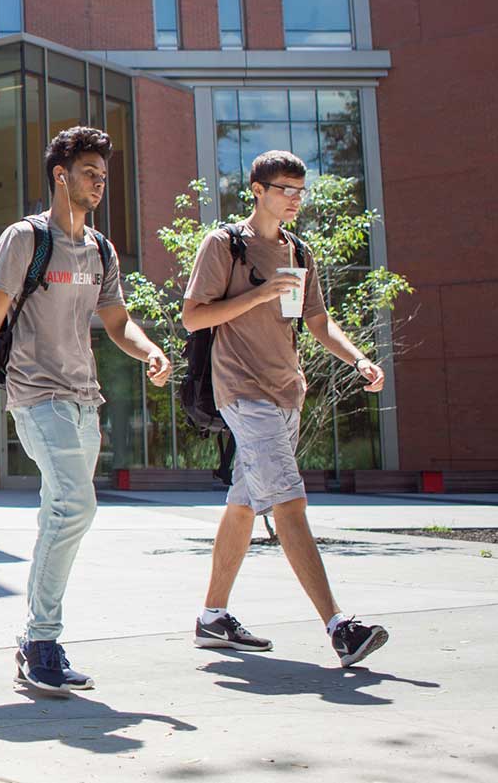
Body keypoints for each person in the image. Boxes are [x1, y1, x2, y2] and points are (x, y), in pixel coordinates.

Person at [0, 126, 172, 694]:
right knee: (75, 505)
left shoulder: (101, 250)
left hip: (84, 402)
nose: (99, 183)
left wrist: (149, 350)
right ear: (60, 176)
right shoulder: (26, 239)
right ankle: (42, 639)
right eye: (89, 173)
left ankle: (34, 641)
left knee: (58, 513)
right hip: (36, 395)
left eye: (104, 176)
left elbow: (117, 322)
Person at [181, 149, 390, 668]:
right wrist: (260, 295)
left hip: (287, 392)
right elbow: (193, 317)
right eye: (285, 190)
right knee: (289, 502)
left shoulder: (299, 251)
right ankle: (340, 628)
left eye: (300, 191)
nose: (296, 199)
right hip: (242, 390)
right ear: (257, 190)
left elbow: (317, 321)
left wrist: (358, 358)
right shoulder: (225, 245)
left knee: (245, 504)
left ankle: (212, 617)